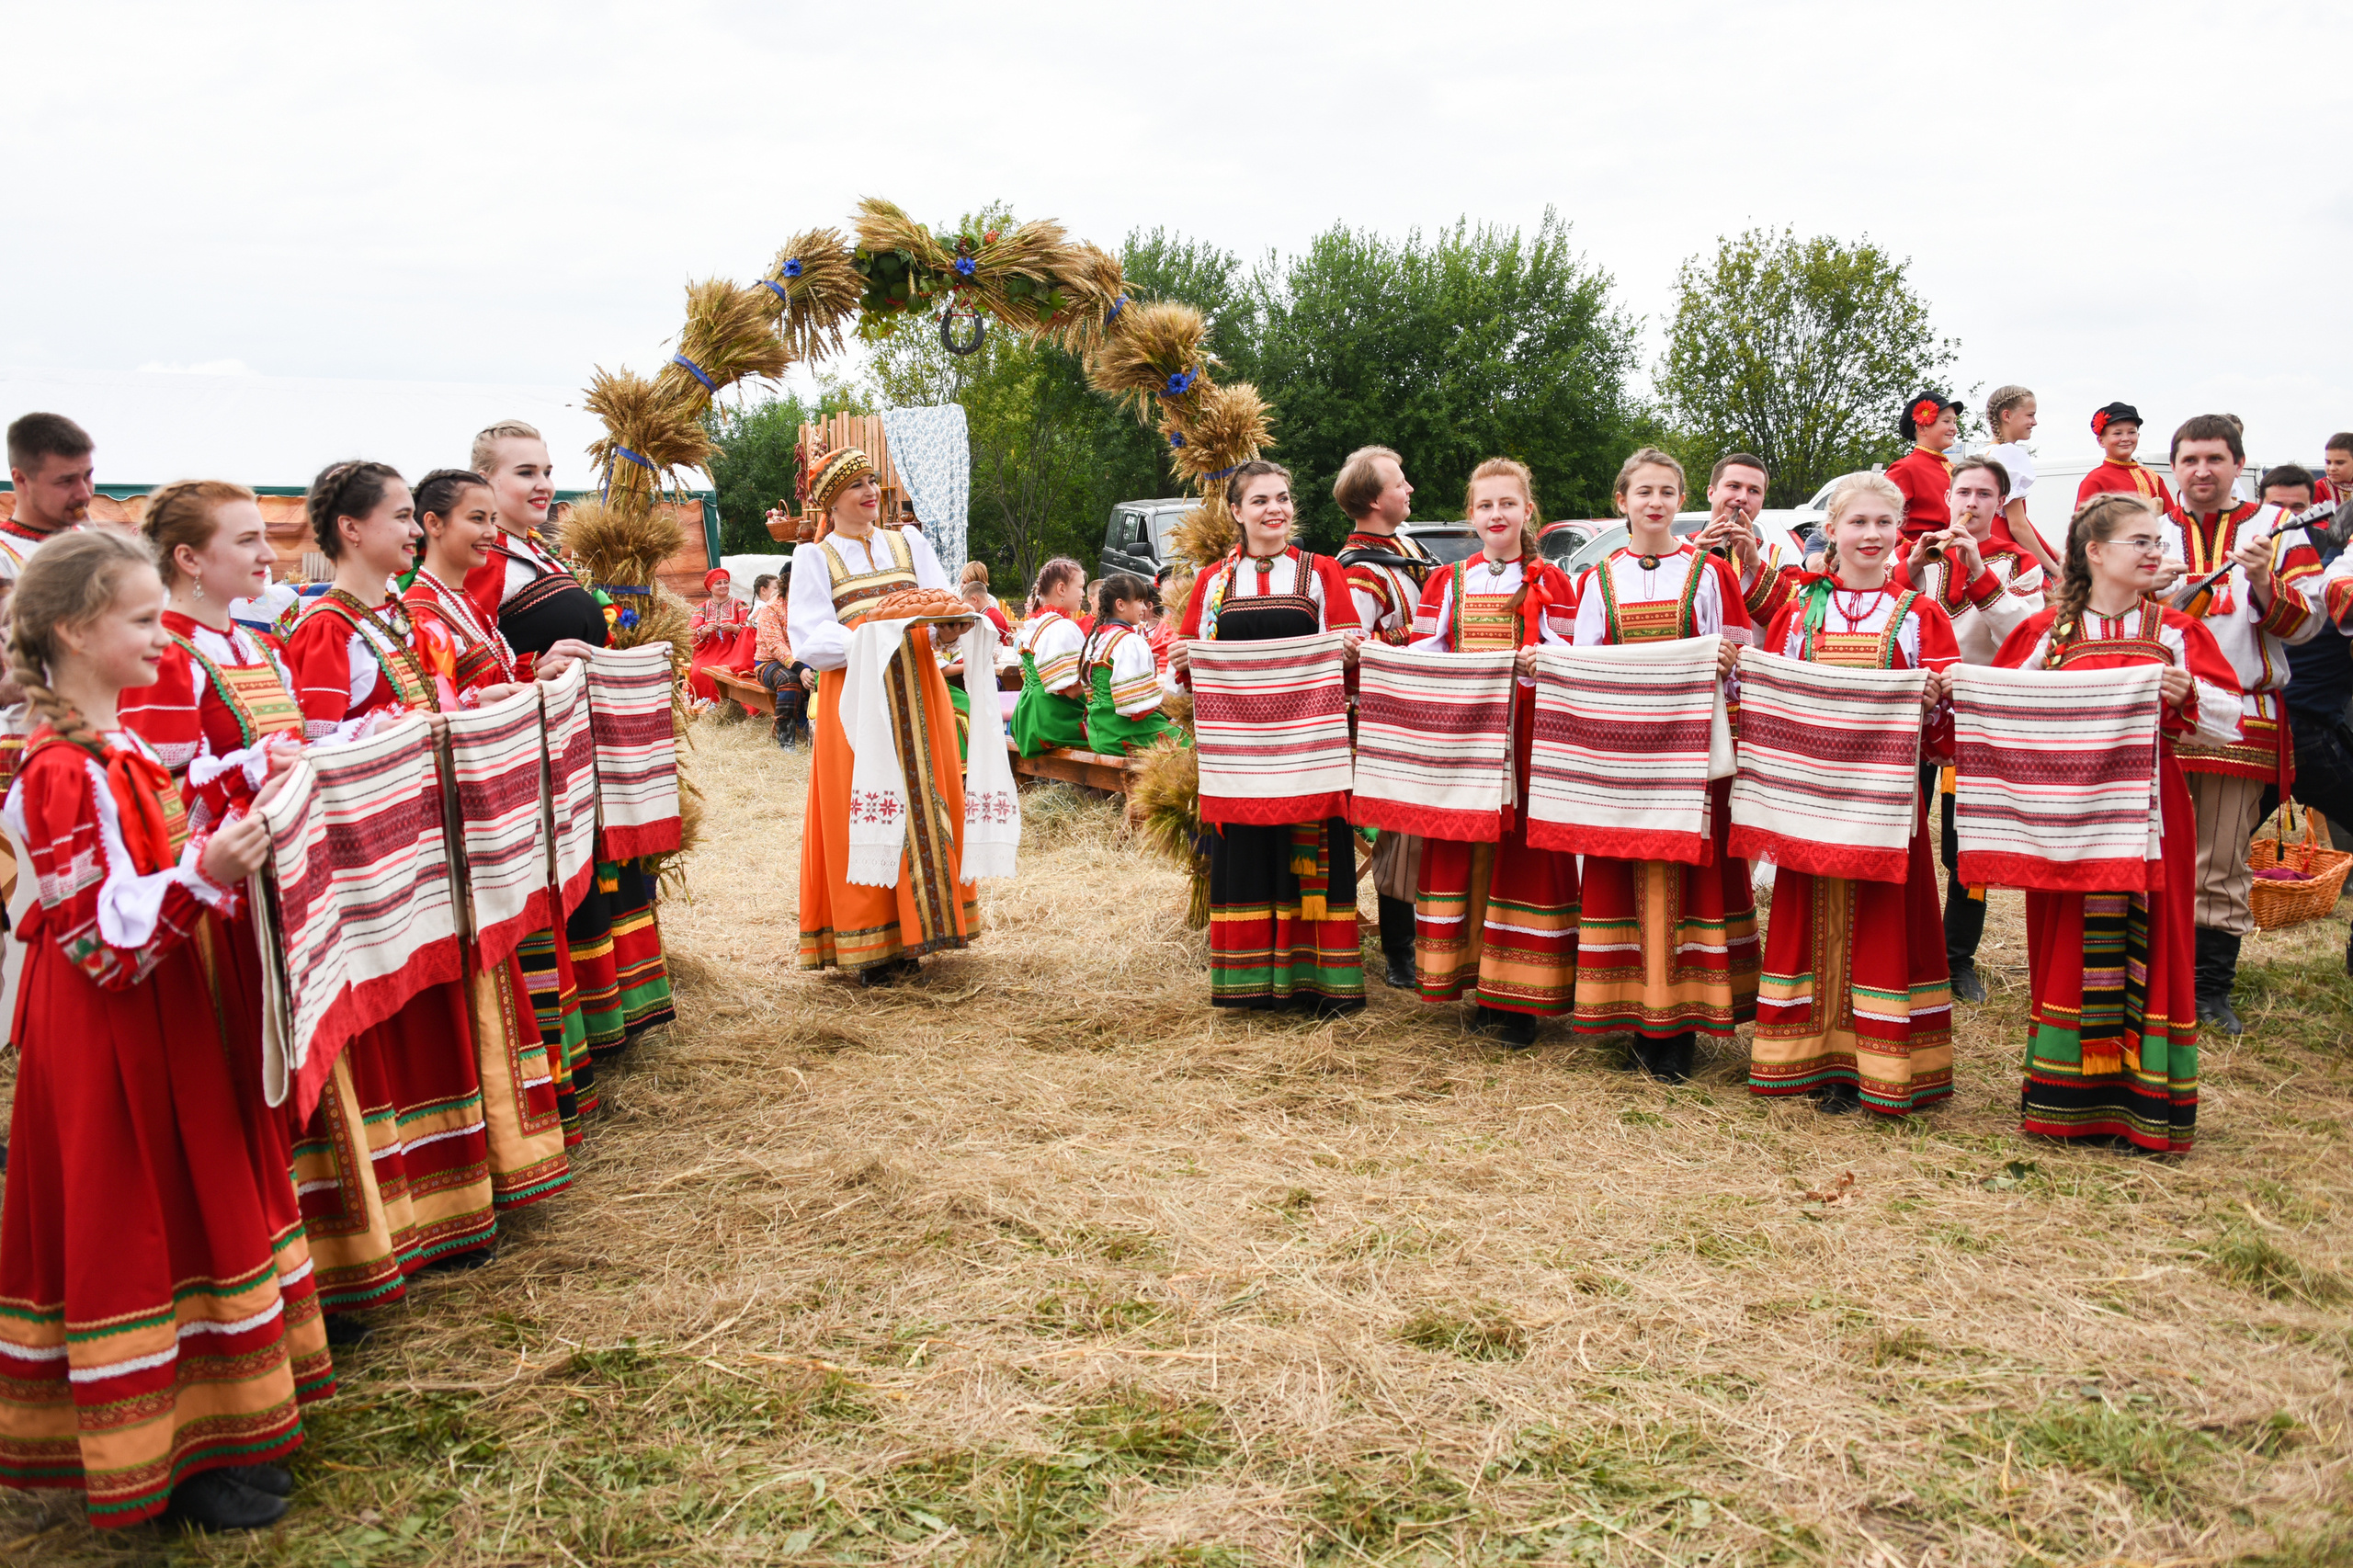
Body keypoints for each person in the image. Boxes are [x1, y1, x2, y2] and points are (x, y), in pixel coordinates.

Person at [0, 530, 326, 1531]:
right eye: (142, 621)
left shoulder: (115, 745)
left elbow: (155, 839)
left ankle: (212, 1431)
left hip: (161, 1016)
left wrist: (240, 782)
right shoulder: (59, 767)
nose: (162, 639)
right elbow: (101, 940)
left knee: (182, 1207)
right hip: (111, 1033)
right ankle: (155, 1455)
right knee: (132, 1217)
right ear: (72, 629)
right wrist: (209, 872)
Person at [282, 460, 499, 1311]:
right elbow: (321, 746)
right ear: (351, 530)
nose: (416, 532)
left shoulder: (389, 621)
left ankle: (448, 1199)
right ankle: (405, 1213)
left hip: (419, 849)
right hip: (375, 863)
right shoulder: (327, 629)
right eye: (405, 518)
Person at [1995, 494, 2244, 1154]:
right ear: (2095, 552)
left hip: (2152, 811)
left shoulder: (2178, 632)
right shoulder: (2047, 635)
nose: (2155, 551)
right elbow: (1995, 710)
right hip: (2067, 820)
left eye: (2157, 539)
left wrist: (2188, 693)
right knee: (2067, 939)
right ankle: (2065, 1102)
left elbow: (2230, 723)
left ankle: (2145, 1105)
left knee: (2156, 939)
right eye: (2140, 540)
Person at [469, 420, 675, 1089]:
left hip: (579, 753)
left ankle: (611, 1014)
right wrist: (532, 665)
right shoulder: (484, 564)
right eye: (524, 472)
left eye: (547, 470)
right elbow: (461, 664)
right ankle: (564, 1040)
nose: (543, 484)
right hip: (532, 761)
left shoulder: (541, 555)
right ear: (485, 483)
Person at [1748, 473, 1963, 1115]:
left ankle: (1876, 1061)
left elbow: (1947, 726)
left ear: (1899, 532)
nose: (1870, 535)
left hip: (1885, 798)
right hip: (1812, 793)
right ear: (1833, 531)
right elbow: (1774, 698)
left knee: (1879, 919)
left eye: (1882, 523)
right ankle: (1810, 1056)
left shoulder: (1921, 615)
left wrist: (1933, 697)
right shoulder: (1800, 610)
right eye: (1857, 523)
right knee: (1810, 914)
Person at [403, 468, 582, 1183]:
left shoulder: (456, 602)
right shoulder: (421, 607)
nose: (488, 533)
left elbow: (482, 683)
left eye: (489, 519)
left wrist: (532, 670)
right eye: (475, 519)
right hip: (472, 813)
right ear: (431, 525)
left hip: (503, 801)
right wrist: (520, 685)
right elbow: (447, 708)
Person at [1569, 448, 1758, 1082]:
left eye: (1668, 492)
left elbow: (1741, 662)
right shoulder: (1596, 580)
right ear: (1620, 501)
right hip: (1623, 752)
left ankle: (1679, 1025)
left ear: (1684, 501)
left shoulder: (1711, 573)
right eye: (1644, 491)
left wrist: (1729, 670)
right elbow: (1585, 666)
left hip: (1693, 751)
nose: (1656, 502)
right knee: (1625, 875)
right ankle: (1630, 1010)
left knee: (1688, 881)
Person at [1167, 460, 1368, 1014]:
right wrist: (1185, 657)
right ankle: (1251, 984)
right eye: (1259, 501)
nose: (1274, 509)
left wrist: (1349, 650)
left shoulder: (1322, 571)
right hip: (1241, 756)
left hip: (1308, 749)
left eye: (1282, 498)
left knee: (1310, 853)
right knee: (1251, 855)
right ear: (1236, 512)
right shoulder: (1213, 581)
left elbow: (1350, 646)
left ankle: (1317, 983)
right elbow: (1185, 665)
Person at [2154, 415, 2326, 1034]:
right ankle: (2153, 981)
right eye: (2190, 459)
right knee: (2152, 850)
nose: (2202, 470)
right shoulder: (2144, 526)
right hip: (2155, 710)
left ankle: (2207, 991)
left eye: (2215, 459)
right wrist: (2152, 592)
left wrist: (2261, 578)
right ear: (2173, 467)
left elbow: (2307, 625)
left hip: (2240, 714)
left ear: (2237, 464)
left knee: (2218, 859)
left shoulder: (2279, 528)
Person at [789, 445, 979, 984]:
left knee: (925, 795)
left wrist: (948, 626)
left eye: (873, 481)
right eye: (857, 486)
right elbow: (812, 639)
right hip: (857, 701)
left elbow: (940, 600)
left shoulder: (908, 541)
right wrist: (874, 634)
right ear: (831, 500)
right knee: (867, 804)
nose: (871, 492)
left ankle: (922, 931)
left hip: (919, 690)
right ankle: (871, 941)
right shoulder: (814, 558)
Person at [1408, 458, 1580, 1047]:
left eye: (1508, 503)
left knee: (1523, 857)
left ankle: (1520, 996)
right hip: (1467, 740)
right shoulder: (1447, 582)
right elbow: (1424, 658)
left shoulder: (1554, 583)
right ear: (1471, 516)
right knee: (1466, 848)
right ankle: (1475, 977)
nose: (1497, 514)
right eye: (1485, 505)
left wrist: (1544, 661)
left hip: (1530, 738)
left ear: (1527, 511)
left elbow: (1576, 657)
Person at [1890, 456, 2048, 1003]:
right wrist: (1907, 569)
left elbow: (2023, 636)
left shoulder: (2019, 563)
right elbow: (1883, 616)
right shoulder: (1915, 554)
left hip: (1977, 720)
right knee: (1899, 830)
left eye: (1984, 494)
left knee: (1966, 847)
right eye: (1963, 492)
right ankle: (1904, 948)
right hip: (1911, 714)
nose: (1971, 503)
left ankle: (1958, 959)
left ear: (1999, 504)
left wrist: (1979, 570)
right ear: (1948, 497)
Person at [1333, 444, 1437, 989]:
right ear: (1375, 499)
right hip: (1379, 718)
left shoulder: (1406, 549)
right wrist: (1420, 638)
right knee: (1399, 829)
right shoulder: (1360, 573)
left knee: (1414, 826)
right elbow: (1353, 649)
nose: (1410, 489)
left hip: (1417, 709)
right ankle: (1400, 952)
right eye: (1400, 483)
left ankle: (1423, 941)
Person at [0, 415, 96, 797]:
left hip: (102, 741)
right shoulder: (4, 557)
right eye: (65, 481)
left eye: (88, 475)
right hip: (28, 749)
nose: (84, 493)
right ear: (20, 479)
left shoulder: (96, 544)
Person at [1079, 573, 1183, 754]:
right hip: (1123, 733)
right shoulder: (1129, 641)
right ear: (1120, 605)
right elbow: (1134, 705)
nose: (1144, 607)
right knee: (1189, 745)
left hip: (1099, 731)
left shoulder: (1097, 637)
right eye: (1139, 601)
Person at [1010, 558, 1087, 756]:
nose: (1083, 594)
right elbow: (1072, 691)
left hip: (1026, 718)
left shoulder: (1034, 626)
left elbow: (1027, 677)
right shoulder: (1061, 627)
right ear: (1061, 589)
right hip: (1053, 722)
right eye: (1080, 587)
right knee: (1114, 725)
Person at [1983, 384, 2060, 575]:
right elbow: (2018, 525)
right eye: (2030, 415)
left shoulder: (1982, 453)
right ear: (2007, 416)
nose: (2034, 422)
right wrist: (2054, 568)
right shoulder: (2009, 455)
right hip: (2006, 551)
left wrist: (2055, 553)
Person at [1885, 390, 1961, 542]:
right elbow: (1881, 516)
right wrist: (1909, 548)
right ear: (1922, 428)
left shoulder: (1955, 469)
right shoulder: (1905, 468)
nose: (1954, 428)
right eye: (1946, 421)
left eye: (1955, 422)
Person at [2075, 403, 2176, 510]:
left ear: (2138, 435)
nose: (2125, 438)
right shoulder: (2095, 480)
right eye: (2117, 433)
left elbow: (2171, 520)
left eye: (2131, 432)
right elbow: (2083, 525)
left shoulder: (2153, 477)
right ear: (2101, 441)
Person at [749, 572, 810, 747]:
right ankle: (786, 740)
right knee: (790, 680)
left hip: (803, 659)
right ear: (787, 583)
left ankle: (810, 731)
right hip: (769, 662)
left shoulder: (808, 605)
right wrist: (800, 667)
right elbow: (776, 645)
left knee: (823, 678)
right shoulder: (770, 608)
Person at [685, 566, 754, 707]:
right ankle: (704, 707)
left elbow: (750, 628)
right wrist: (704, 631)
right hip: (707, 653)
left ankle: (729, 708)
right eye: (719, 583)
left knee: (730, 670)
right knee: (698, 671)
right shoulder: (702, 607)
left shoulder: (740, 605)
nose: (723, 586)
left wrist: (735, 629)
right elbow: (691, 630)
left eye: (725, 582)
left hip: (734, 652)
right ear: (710, 587)